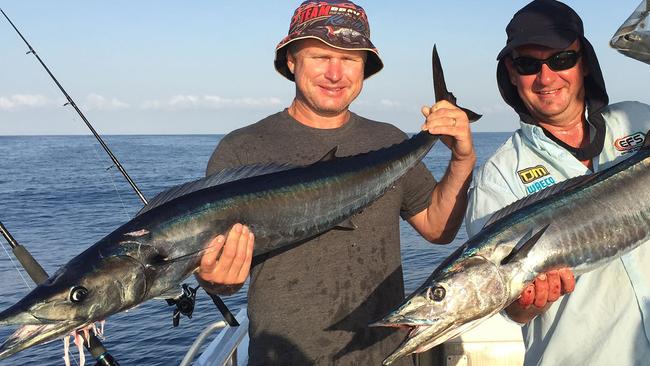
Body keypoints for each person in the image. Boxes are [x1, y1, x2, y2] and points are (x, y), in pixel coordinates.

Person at [195, 1, 476, 364]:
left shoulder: (387, 141)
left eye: (349, 59)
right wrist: (216, 278)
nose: (335, 73)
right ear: (291, 61)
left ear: (365, 69)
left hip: (386, 356)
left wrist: (463, 159)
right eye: (320, 56)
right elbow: (217, 264)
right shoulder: (241, 150)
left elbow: (438, 228)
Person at [465, 0, 650, 365]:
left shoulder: (638, 119)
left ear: (584, 63)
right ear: (511, 72)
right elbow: (510, 309)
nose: (546, 78)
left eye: (562, 60)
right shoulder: (498, 175)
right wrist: (523, 304)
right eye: (529, 64)